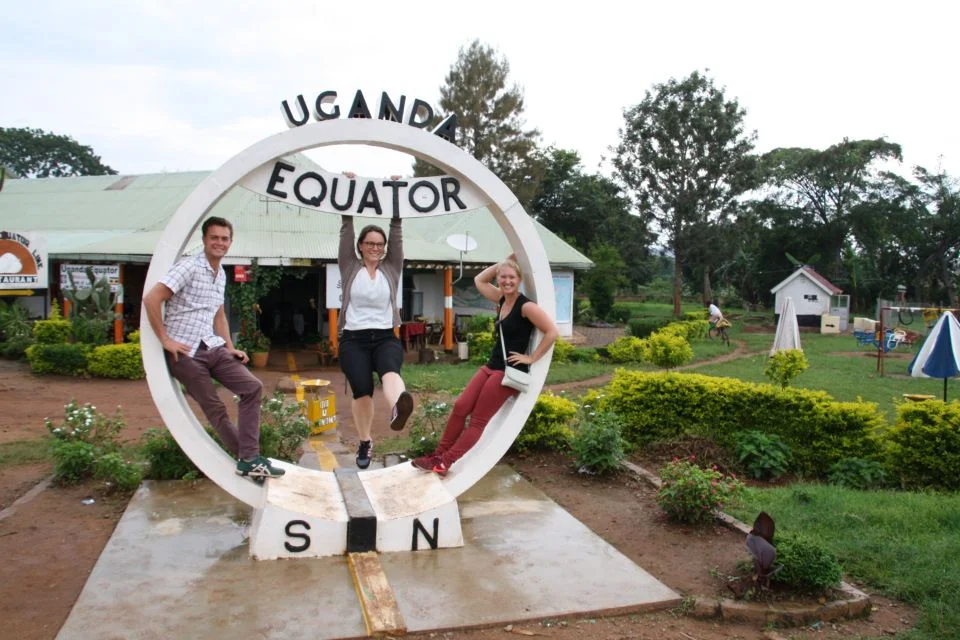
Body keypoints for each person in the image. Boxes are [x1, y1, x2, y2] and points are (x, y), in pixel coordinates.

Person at [143, 216, 284, 482]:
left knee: (252, 387)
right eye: (214, 238)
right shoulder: (189, 267)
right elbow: (152, 298)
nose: (220, 243)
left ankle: (248, 458)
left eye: (224, 238)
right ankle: (249, 459)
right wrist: (165, 339)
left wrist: (230, 347)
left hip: (212, 346)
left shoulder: (221, 274)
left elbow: (219, 315)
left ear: (230, 242)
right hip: (185, 352)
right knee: (215, 407)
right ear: (204, 240)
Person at [412, 255, 558, 476]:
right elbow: (479, 280)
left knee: (478, 421)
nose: (507, 281)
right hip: (491, 365)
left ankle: (446, 462)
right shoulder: (501, 299)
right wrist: (503, 263)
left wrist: (531, 358)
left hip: (507, 371)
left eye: (512, 277)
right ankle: (437, 455)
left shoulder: (526, 306)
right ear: (498, 278)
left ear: (519, 279)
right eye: (503, 277)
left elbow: (552, 332)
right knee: (460, 407)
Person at [337, 191, 414, 470]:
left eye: (380, 244)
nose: (375, 247)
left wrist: (396, 212)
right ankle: (365, 441)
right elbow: (346, 232)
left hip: (384, 336)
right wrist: (346, 206)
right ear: (360, 246)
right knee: (362, 390)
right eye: (369, 243)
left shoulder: (391, 268)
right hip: (353, 339)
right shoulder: (349, 267)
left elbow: (397, 239)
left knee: (391, 371)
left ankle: (398, 408)